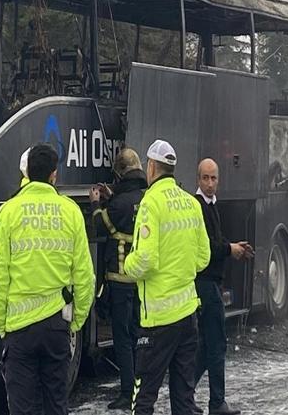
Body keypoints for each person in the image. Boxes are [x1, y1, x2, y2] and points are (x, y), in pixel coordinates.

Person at [0, 143, 95, 415]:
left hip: (19, 331)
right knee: (56, 404)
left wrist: (1, 325)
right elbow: (85, 275)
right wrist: (76, 321)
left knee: (22, 408)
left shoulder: (8, 212)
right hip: (57, 327)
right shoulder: (70, 211)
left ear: (26, 173)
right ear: (53, 174)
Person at [124, 140, 211, 415]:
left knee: (143, 399)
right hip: (188, 316)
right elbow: (204, 257)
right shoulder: (191, 203)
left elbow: (145, 260)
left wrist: (128, 264)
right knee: (184, 399)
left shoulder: (150, 203)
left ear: (151, 167)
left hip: (158, 322)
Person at [89, 148, 147, 410]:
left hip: (120, 280)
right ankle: (140, 388)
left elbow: (102, 225)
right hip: (140, 279)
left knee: (122, 338)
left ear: (120, 174)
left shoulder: (118, 204)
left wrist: (96, 203)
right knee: (137, 334)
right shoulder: (145, 198)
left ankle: (127, 392)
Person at [193, 159, 252, 415]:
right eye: (205, 178)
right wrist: (230, 249)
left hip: (212, 282)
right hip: (205, 283)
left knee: (207, 345)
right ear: (198, 179)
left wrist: (234, 246)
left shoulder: (212, 206)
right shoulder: (198, 207)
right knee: (216, 343)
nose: (210, 183)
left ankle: (185, 392)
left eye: (214, 178)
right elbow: (206, 247)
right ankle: (216, 402)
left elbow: (216, 239)